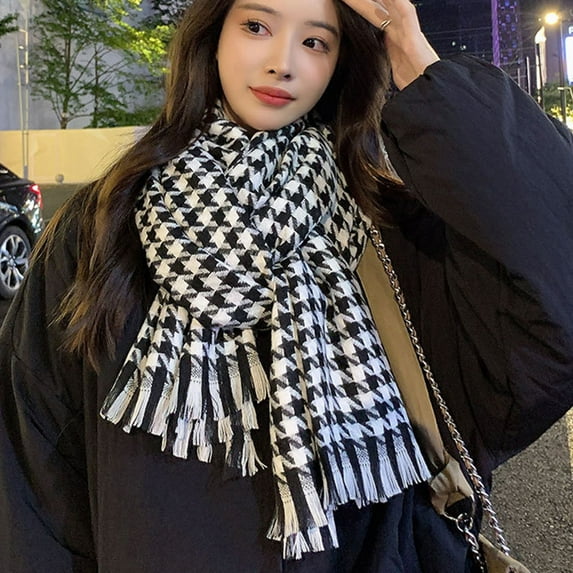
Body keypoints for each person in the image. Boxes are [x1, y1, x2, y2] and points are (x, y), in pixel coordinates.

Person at [1, 0, 572, 571]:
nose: (283, 62)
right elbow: (35, 470)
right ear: (213, 38)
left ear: (342, 63)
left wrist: (417, 61)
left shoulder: (381, 224)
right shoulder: (106, 223)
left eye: (315, 42)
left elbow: (554, 307)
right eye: (256, 26)